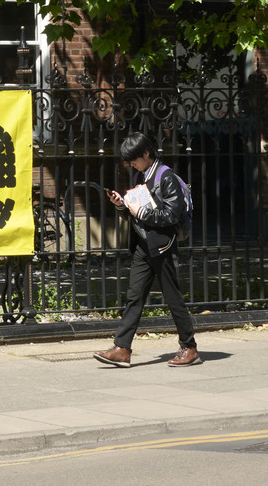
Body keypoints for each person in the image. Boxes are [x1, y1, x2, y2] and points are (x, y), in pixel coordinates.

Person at [94, 132, 199, 368]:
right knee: (134, 297)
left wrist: (140, 213)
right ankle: (122, 349)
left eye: (133, 159)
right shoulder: (145, 175)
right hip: (145, 244)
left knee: (173, 298)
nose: (131, 164)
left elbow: (171, 215)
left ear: (146, 153)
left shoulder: (166, 177)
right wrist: (123, 206)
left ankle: (190, 348)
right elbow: (140, 211)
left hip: (162, 245)